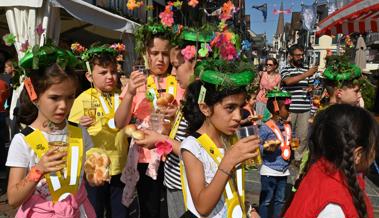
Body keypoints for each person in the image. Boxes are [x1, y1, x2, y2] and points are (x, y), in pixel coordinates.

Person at [131, 28, 213, 218]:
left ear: (196, 66)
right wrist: (176, 116)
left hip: (184, 182)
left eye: (176, 65)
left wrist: (160, 137)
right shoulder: (189, 102)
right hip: (174, 177)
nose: (173, 72)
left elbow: (194, 150)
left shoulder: (201, 104)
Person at [6, 44, 96, 217]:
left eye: (70, 97)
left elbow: (90, 177)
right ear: (35, 95)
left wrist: (97, 172)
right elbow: (13, 198)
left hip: (78, 211)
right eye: (54, 98)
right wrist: (39, 169)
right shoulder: (23, 140)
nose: (64, 106)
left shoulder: (80, 133)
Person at [180, 41, 260, 216]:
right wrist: (228, 161)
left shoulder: (231, 138)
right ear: (205, 108)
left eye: (240, 107)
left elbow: (233, 189)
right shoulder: (192, 147)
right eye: (230, 108)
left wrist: (249, 210)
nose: (239, 117)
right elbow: (202, 206)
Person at [115, 22, 183, 218]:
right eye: (154, 53)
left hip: (174, 156)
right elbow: (119, 123)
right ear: (146, 53)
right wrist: (130, 93)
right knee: (150, 210)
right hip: (146, 157)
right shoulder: (137, 80)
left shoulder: (180, 81)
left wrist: (177, 113)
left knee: (177, 209)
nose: (160, 59)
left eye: (164, 53)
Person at [283, 104, 378, 218]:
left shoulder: (320, 168)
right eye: (374, 147)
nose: (375, 153)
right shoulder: (335, 208)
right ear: (358, 155)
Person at [68, 44, 129, 218]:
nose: (110, 77)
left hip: (120, 167)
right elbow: (70, 132)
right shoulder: (84, 99)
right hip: (95, 169)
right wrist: (79, 125)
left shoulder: (122, 96)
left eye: (113, 72)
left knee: (120, 212)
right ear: (89, 76)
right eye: (103, 73)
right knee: (94, 211)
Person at [280, 44, 318, 164]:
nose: (301, 57)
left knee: (303, 136)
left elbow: (311, 84)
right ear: (291, 56)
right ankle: (286, 154)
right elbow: (288, 81)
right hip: (290, 107)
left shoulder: (306, 68)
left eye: (302, 55)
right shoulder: (285, 69)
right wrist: (308, 73)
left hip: (305, 107)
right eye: (297, 55)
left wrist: (310, 88)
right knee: (287, 134)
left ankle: (298, 157)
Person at [258, 89, 292, 218]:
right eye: (287, 107)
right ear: (276, 108)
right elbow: (258, 144)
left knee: (280, 200)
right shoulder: (266, 127)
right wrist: (266, 149)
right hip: (269, 170)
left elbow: (290, 139)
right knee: (266, 201)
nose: (289, 111)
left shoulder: (287, 126)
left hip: (284, 170)